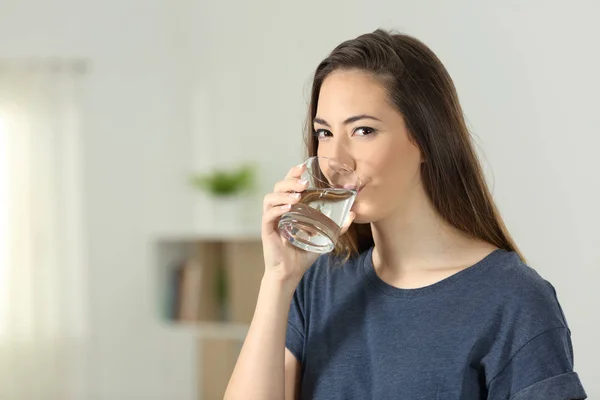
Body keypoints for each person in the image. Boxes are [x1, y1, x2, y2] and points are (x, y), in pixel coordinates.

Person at [224, 29, 587, 400]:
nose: (337, 161)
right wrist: (279, 279)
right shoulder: (319, 285)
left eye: (364, 130)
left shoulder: (514, 299)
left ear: (427, 140)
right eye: (325, 133)